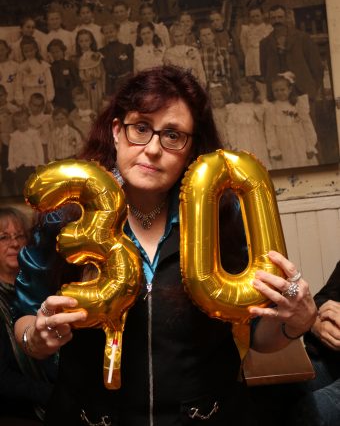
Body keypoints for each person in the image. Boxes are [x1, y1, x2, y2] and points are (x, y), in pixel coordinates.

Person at [14, 66, 316, 426]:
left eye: (172, 135)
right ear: (116, 131)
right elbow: (25, 314)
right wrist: (37, 337)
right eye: (141, 128)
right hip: (90, 418)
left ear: (191, 149)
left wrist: (294, 322)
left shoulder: (225, 218)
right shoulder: (64, 215)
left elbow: (260, 337)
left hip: (207, 416)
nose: (153, 149)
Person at [0, 207, 53, 422]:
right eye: (3, 237)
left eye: (20, 235)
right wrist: (57, 394)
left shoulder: (43, 289)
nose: (14, 243)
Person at [287, 260, 340, 426]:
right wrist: (316, 325)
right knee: (272, 391)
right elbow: (321, 300)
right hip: (330, 358)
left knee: (309, 414)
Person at [259, 5, 324, 109]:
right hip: (278, 95)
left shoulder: (302, 38)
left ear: (286, 18)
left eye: (280, 17)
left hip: (302, 90)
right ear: (270, 21)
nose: (277, 21)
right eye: (274, 18)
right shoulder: (264, 43)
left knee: (307, 123)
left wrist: (313, 88)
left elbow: (316, 67)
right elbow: (264, 70)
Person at [264, 72, 318, 170]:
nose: (279, 93)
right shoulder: (271, 108)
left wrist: (310, 146)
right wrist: (274, 149)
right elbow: (269, 130)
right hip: (282, 145)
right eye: (276, 90)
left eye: (282, 90)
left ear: (290, 89)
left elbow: (307, 125)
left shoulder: (298, 105)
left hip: (300, 142)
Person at [227, 77, 270, 169]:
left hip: (258, 139)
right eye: (243, 93)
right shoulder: (235, 109)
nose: (246, 95)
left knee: (259, 160)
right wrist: (234, 144)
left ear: (254, 92)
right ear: (239, 94)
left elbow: (266, 123)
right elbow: (231, 127)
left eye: (249, 92)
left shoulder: (259, 107)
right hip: (242, 140)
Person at [8, 109, 45, 195]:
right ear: (15, 124)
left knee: (33, 184)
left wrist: (39, 163)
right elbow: (11, 152)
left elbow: (39, 150)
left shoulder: (33, 134)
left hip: (32, 164)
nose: (21, 125)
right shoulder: (14, 136)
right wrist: (12, 164)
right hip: (20, 165)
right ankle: (23, 200)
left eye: (23, 122)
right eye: (18, 123)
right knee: (21, 184)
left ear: (27, 122)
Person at [15, 36, 54, 109]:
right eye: (26, 52)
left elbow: (49, 83)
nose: (29, 53)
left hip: (41, 93)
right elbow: (18, 85)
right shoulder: (21, 67)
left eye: (31, 50)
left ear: (36, 49)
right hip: (27, 94)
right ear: (22, 52)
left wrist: (49, 99)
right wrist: (20, 101)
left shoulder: (43, 65)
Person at [164, 22, 206, 88]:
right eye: (176, 36)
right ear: (172, 37)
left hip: (193, 80)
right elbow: (168, 71)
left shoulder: (193, 50)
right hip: (178, 83)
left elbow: (199, 67)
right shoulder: (169, 52)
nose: (179, 38)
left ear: (185, 35)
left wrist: (202, 81)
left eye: (181, 35)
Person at [75, 29, 105, 112]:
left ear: (91, 41)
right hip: (84, 87)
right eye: (81, 41)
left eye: (86, 40)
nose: (84, 43)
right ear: (78, 42)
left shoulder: (96, 56)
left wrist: (103, 90)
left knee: (97, 106)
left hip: (96, 86)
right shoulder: (77, 59)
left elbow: (102, 74)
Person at [99, 22, 134, 96]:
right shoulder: (102, 51)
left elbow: (132, 66)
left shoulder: (126, 47)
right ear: (104, 34)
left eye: (111, 32)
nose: (109, 34)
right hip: (111, 82)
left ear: (117, 31)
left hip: (124, 80)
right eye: (106, 33)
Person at [47, 38, 81, 111]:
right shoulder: (50, 67)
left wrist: (76, 91)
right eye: (53, 52)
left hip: (70, 93)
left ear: (63, 51)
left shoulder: (70, 64)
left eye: (58, 52)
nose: (56, 54)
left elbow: (76, 79)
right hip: (58, 95)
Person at [0, 39, 19, 104]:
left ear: (7, 50)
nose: (0, 53)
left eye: (2, 50)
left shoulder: (15, 66)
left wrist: (17, 99)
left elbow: (18, 85)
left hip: (13, 101)